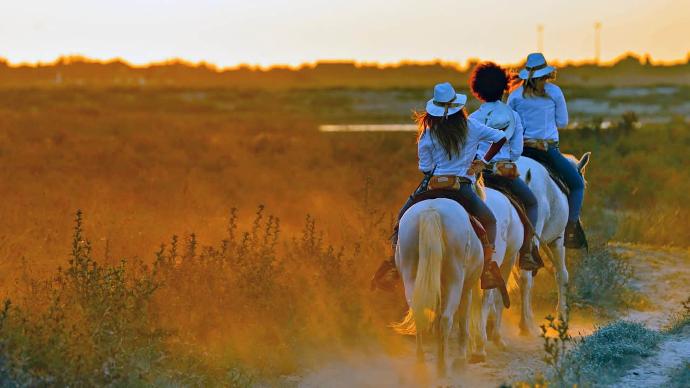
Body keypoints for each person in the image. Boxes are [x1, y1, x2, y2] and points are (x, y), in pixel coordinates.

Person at [372, 82, 508, 294]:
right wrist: (482, 161)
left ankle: (393, 266)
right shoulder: (471, 126)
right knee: (489, 220)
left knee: (401, 219)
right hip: (461, 186)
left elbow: (425, 167)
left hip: (432, 185)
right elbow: (500, 137)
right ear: (457, 106)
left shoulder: (428, 133)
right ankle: (489, 267)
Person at [468, 62, 542, 271]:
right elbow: (517, 151)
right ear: (504, 89)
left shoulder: (472, 118)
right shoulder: (512, 116)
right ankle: (527, 251)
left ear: (477, 91)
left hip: (479, 176)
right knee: (531, 203)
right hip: (503, 175)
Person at [507, 53, 586, 248]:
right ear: (545, 75)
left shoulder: (515, 94)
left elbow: (509, 123)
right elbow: (563, 122)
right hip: (547, 150)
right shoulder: (554, 92)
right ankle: (570, 230)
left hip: (521, 151)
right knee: (577, 185)